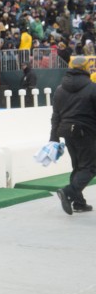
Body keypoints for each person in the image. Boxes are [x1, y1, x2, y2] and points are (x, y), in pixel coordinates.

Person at [51, 56, 96, 215]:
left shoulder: (59, 89)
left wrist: (53, 137)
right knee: (90, 167)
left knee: (78, 166)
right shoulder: (92, 87)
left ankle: (78, 202)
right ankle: (68, 192)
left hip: (66, 132)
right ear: (86, 69)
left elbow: (56, 116)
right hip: (86, 132)